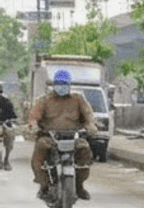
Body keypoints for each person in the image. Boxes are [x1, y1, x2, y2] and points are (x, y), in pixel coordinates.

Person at [29, 69, 96, 200]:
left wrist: (91, 125)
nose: (62, 86)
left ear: (70, 85)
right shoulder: (44, 100)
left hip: (73, 138)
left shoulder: (78, 99)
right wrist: (34, 125)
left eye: (65, 83)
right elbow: (34, 117)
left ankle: (79, 186)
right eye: (59, 83)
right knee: (39, 151)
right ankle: (44, 187)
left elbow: (88, 115)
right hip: (50, 138)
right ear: (54, 85)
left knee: (85, 149)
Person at [0, 84, 17, 171]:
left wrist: (11, 120)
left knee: (9, 137)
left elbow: (13, 116)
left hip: (5, 124)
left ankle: (6, 159)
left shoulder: (6, 102)